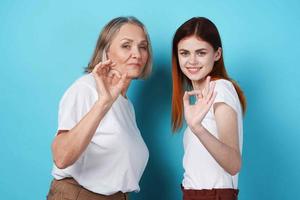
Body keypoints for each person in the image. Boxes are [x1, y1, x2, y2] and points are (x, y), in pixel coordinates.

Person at [47, 16, 152, 200]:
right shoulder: (87, 88)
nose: (137, 53)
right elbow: (62, 157)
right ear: (106, 51)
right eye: (126, 45)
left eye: (142, 47)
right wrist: (103, 103)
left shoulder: (126, 104)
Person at [171, 17, 247, 200]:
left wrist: (198, 129)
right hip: (194, 194)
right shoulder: (201, 97)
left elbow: (233, 163)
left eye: (201, 52)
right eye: (184, 53)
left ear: (217, 54)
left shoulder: (219, 89)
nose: (192, 61)